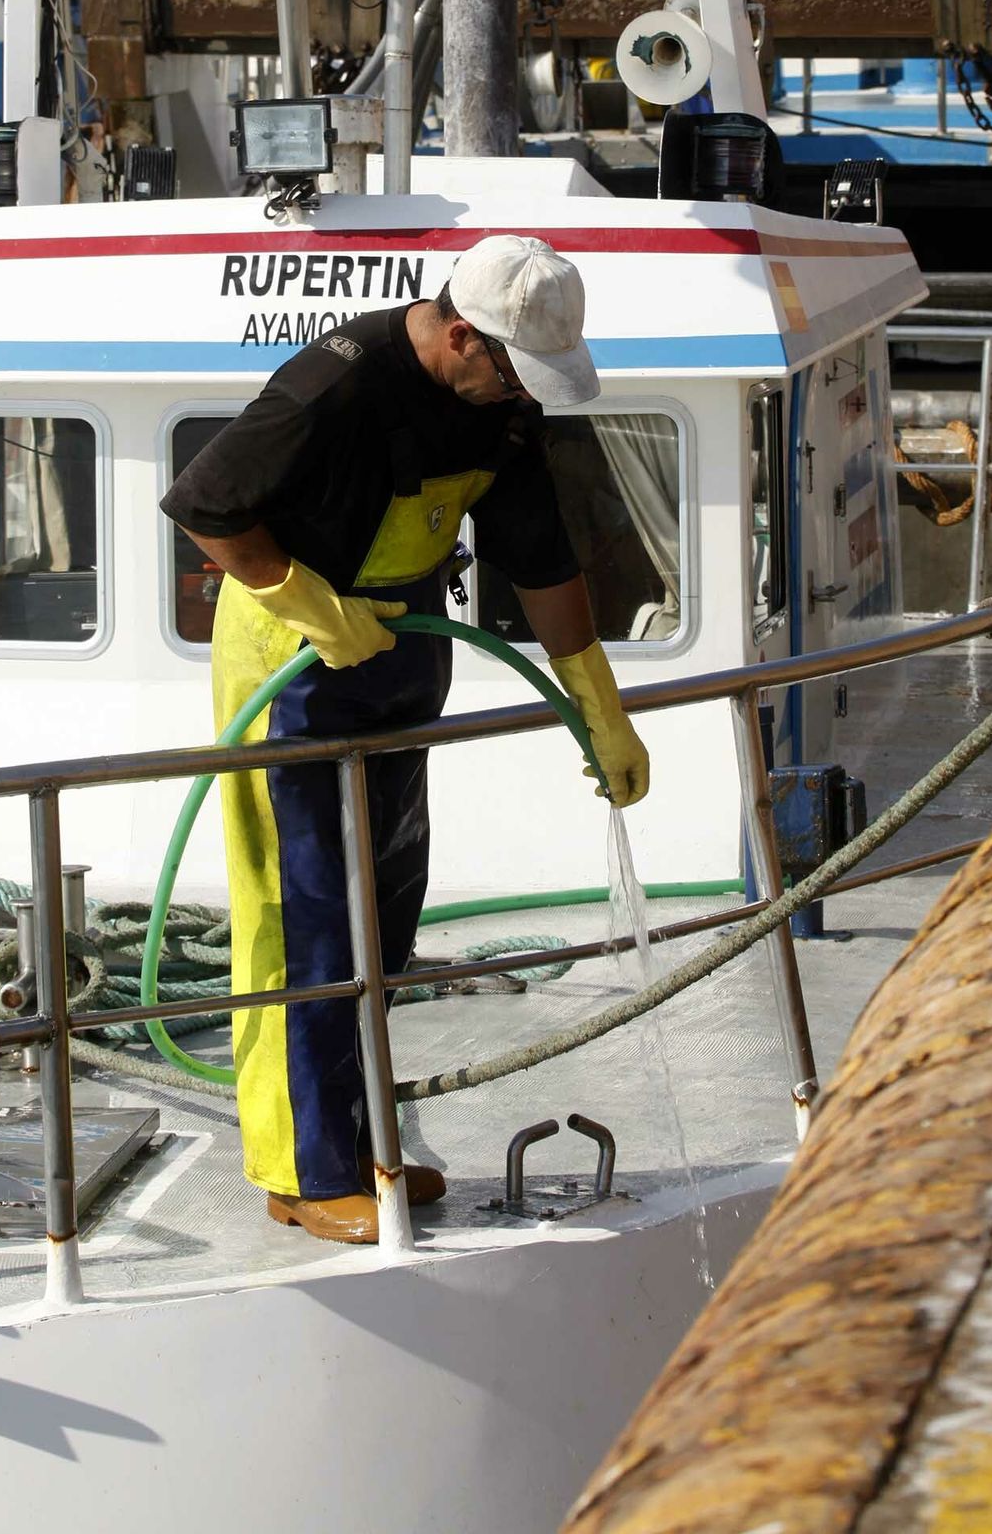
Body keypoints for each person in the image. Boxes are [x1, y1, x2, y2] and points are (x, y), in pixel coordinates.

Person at [160, 233, 649, 1246]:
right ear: (462, 336)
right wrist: (303, 601)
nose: (526, 394)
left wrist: (595, 700)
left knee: (383, 914)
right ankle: (304, 1172)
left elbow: (538, 557)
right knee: (308, 920)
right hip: (295, 664)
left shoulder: (500, 411)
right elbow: (208, 503)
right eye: (514, 369)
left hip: (401, 654)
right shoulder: (334, 386)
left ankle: (360, 1141)